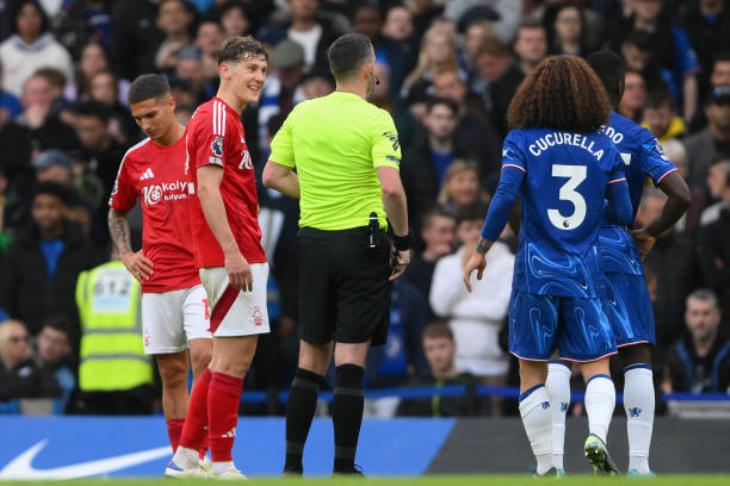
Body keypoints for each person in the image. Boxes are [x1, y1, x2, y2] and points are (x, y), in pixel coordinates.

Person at [463, 55, 633, 477]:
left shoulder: (520, 140)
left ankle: (546, 465)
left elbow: (504, 196)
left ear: (533, 94)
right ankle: (596, 433)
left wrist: (482, 246)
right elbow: (625, 211)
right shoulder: (604, 146)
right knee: (597, 364)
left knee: (532, 369)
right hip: (586, 270)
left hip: (535, 270)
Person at [262, 33, 410, 475]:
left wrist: (317, 195)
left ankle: (291, 467)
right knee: (350, 359)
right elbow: (391, 188)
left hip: (313, 244)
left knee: (310, 359)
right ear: (368, 70)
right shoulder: (376, 119)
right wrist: (401, 243)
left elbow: (272, 175)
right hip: (361, 245)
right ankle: (344, 468)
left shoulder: (303, 112)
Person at [546, 51, 691, 478]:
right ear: (622, 88)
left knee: (561, 354)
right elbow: (681, 193)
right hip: (616, 247)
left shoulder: (553, 136)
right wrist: (651, 233)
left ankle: (552, 461)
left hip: (564, 251)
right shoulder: (635, 135)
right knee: (635, 352)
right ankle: (640, 466)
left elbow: (517, 194)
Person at [167, 36, 270, 480]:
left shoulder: (226, 120)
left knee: (224, 357)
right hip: (232, 252)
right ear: (223, 69)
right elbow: (206, 189)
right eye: (250, 67)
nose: (259, 78)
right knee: (234, 361)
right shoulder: (216, 118)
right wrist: (232, 251)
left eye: (263, 70)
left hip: (235, 250)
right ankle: (223, 463)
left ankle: (187, 457)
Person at [108, 74, 213, 455]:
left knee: (204, 358)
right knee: (171, 373)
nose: (146, 125)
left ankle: (197, 452)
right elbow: (117, 212)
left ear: (172, 104)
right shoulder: (135, 158)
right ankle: (180, 459)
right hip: (157, 278)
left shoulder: (201, 148)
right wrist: (126, 252)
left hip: (202, 274)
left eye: (151, 115)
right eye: (138, 120)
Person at [0, 182, 98, 341]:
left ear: (63, 210)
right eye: (39, 207)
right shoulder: (19, 248)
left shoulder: (83, 247)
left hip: (74, 336)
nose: (44, 213)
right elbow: (6, 290)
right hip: (28, 336)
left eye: (51, 207)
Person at [430, 203, 513, 385]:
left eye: (481, 227)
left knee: (492, 413)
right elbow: (440, 307)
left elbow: (499, 310)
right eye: (468, 228)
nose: (475, 234)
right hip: (456, 359)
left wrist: (458, 309)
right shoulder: (447, 264)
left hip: (493, 360)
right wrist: (463, 269)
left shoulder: (509, 262)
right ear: (459, 232)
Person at [75, 252, 155, 415]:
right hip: (134, 377)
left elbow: (79, 324)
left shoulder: (88, 279)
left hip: (92, 376)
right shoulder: (145, 279)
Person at [396, 322, 486, 417]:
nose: (437, 354)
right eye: (430, 349)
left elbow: (483, 423)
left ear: (454, 346)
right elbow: (400, 421)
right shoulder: (416, 386)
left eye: (442, 347)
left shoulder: (471, 384)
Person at [664, 290, 730, 394]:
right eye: (695, 314)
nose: (700, 320)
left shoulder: (728, 351)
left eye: (706, 313)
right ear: (686, 317)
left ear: (717, 316)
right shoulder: (675, 354)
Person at [35, 316, 75, 414]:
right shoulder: (19, 364)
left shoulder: (67, 379)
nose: (49, 345)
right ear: (38, 337)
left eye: (57, 341)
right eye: (46, 337)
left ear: (67, 347)